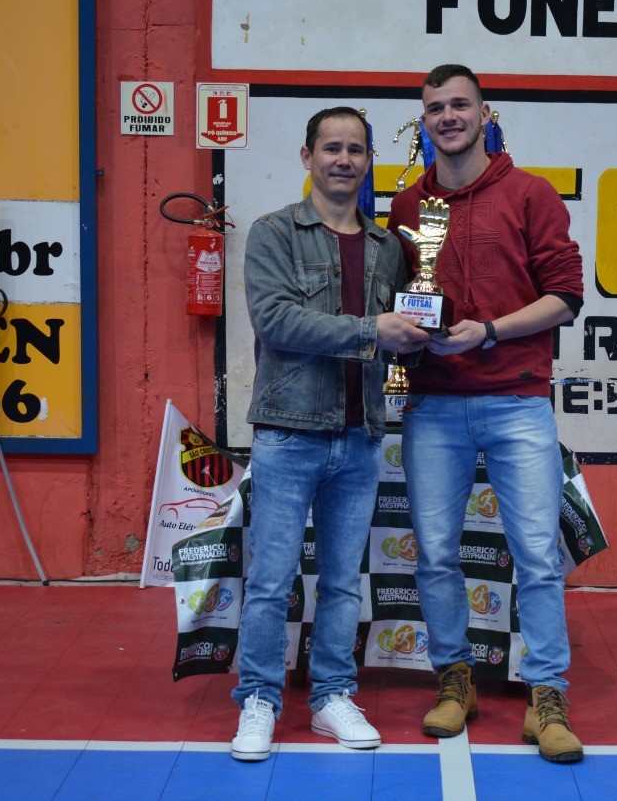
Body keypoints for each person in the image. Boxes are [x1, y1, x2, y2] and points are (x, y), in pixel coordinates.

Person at [387, 65, 586, 762]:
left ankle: (546, 695)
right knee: (436, 556)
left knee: (536, 555)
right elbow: (406, 299)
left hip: (517, 400)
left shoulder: (531, 194)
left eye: (459, 104)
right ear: (423, 122)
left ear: (484, 111)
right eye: (434, 107)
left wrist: (491, 329)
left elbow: (566, 296)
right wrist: (400, 367)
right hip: (434, 406)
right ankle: (455, 680)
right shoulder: (409, 206)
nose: (448, 116)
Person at [231, 107, 431, 761]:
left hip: (360, 437)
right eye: (331, 148)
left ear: (368, 160)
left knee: (344, 579)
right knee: (271, 580)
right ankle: (259, 699)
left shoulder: (387, 249)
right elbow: (280, 323)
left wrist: (409, 381)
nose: (343, 159)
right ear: (307, 156)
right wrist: (375, 330)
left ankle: (331, 698)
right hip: (289, 435)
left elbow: (403, 344)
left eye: (355, 150)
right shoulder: (273, 234)